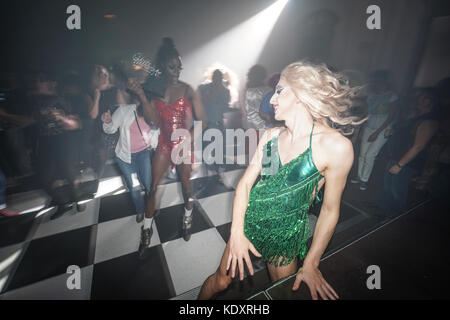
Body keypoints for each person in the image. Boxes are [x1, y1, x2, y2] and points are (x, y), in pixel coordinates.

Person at [198, 61, 363, 300]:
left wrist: (312, 262)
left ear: (302, 93)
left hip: (285, 234)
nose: (272, 99)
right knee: (220, 282)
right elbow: (248, 184)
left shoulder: (335, 146)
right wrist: (236, 234)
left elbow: (329, 209)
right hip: (250, 222)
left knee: (282, 293)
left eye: (279, 90)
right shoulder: (271, 136)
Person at [143, 38, 207, 247]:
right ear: (163, 66)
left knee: (187, 189)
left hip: (183, 143)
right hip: (163, 142)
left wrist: (188, 141)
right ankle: (146, 228)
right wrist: (141, 96)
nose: (177, 70)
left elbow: (202, 121)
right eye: (172, 66)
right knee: (152, 189)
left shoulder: (189, 90)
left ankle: (187, 218)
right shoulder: (154, 90)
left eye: (179, 66)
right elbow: (152, 120)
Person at [376, 88, 440, 217]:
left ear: (431, 101)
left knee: (397, 190)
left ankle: (393, 216)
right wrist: (393, 133)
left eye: (423, 97)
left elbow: (418, 146)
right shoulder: (417, 116)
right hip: (397, 157)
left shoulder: (429, 121)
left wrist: (400, 165)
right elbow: (407, 133)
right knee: (387, 185)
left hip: (407, 162)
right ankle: (382, 206)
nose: (418, 99)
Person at [102, 86, 159, 225]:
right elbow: (110, 130)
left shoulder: (152, 114)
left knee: (148, 183)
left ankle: (150, 205)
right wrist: (108, 121)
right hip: (126, 158)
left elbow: (156, 135)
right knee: (134, 187)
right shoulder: (125, 111)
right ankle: (140, 211)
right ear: (139, 101)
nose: (149, 107)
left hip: (144, 154)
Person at [351, 70, 398, 191]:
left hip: (383, 129)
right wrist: (362, 128)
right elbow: (366, 113)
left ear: (384, 81)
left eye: (378, 81)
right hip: (369, 127)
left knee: (370, 155)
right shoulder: (371, 96)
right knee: (362, 155)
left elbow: (391, 116)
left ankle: (364, 180)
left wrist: (377, 133)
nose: (375, 83)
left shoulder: (392, 96)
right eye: (374, 81)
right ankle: (359, 176)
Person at [198, 69, 230, 173]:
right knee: (207, 150)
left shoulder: (225, 91)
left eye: (219, 77)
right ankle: (208, 172)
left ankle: (219, 172)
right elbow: (200, 104)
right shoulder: (204, 88)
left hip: (219, 123)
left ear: (221, 78)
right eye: (215, 77)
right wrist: (213, 93)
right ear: (212, 78)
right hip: (207, 123)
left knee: (219, 149)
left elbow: (225, 107)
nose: (217, 80)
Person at [242, 65, 271, 131]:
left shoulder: (246, 91)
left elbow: (244, 112)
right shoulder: (268, 91)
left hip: (250, 128)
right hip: (264, 128)